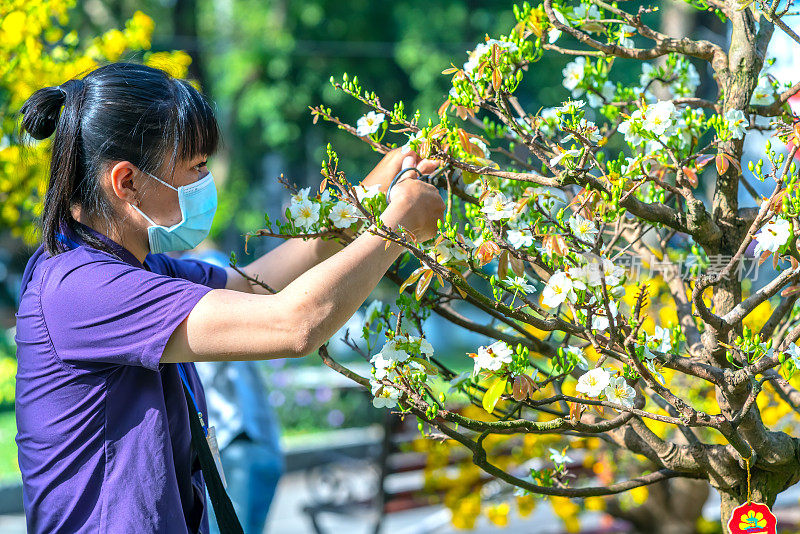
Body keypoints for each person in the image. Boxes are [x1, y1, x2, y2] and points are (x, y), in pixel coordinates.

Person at [13, 62, 443, 533]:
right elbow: (292, 325)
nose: (206, 181)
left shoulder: (138, 268)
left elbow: (254, 282)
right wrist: (395, 228)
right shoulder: (81, 291)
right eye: (195, 167)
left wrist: (375, 194)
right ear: (127, 182)